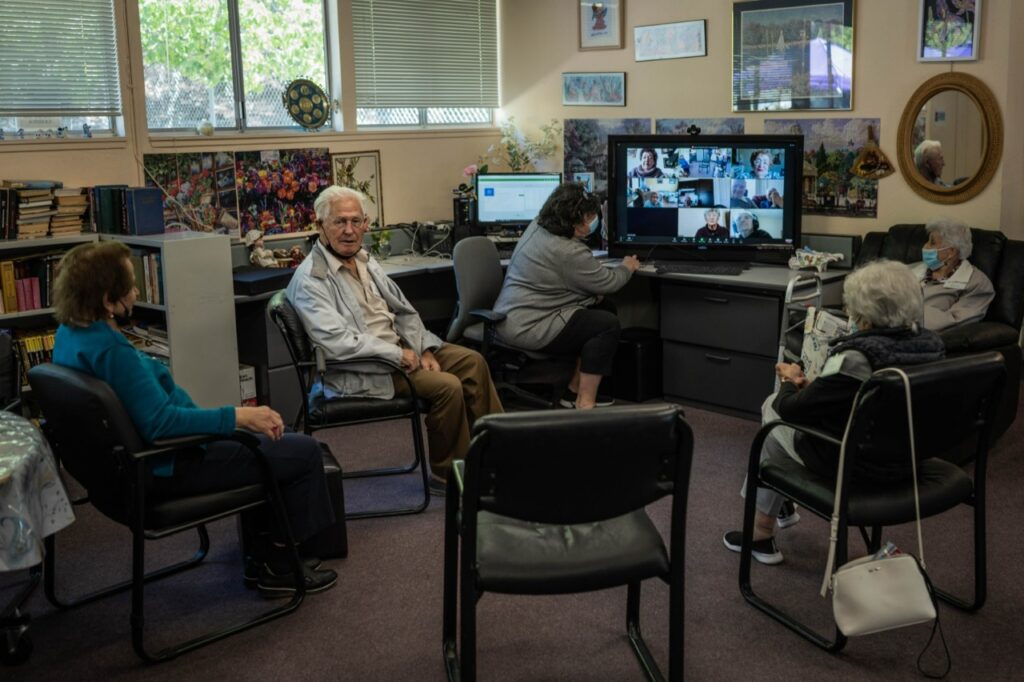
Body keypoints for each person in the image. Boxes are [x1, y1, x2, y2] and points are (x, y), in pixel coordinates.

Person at [50, 241, 338, 596]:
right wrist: (239, 416)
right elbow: (162, 424)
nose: (137, 290)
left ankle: (263, 552)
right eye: (130, 284)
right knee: (303, 451)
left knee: (277, 442)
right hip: (170, 464)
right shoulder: (112, 353)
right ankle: (279, 563)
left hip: (125, 470)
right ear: (108, 300)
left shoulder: (71, 335)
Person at [722, 260, 945, 564]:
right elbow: (867, 395)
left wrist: (790, 379)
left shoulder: (856, 357)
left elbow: (793, 410)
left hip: (857, 466)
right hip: (910, 459)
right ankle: (780, 505)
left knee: (771, 409)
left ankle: (762, 531)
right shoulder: (931, 347)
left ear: (864, 312)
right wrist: (819, 387)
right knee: (778, 420)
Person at [286, 186, 503, 488]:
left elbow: (403, 312)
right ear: (320, 225)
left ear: (365, 223)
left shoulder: (364, 260)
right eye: (339, 222)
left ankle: (499, 455)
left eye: (356, 221)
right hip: (364, 367)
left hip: (400, 350)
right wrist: (398, 355)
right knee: (447, 387)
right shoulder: (312, 279)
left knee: (472, 361)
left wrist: (424, 347)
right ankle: (449, 474)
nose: (349, 231)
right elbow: (335, 344)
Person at [493, 183, 640, 409]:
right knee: (606, 324)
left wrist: (590, 297)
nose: (592, 221)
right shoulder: (567, 251)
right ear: (573, 218)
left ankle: (572, 393)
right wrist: (627, 267)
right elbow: (609, 282)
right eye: (590, 217)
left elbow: (556, 284)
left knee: (604, 308)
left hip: (515, 312)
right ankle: (585, 402)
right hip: (528, 325)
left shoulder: (538, 226)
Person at [911, 218, 994, 331]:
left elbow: (956, 320)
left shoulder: (977, 283)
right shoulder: (914, 269)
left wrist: (905, 313)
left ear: (951, 252)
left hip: (915, 333)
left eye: (932, 242)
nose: (925, 246)